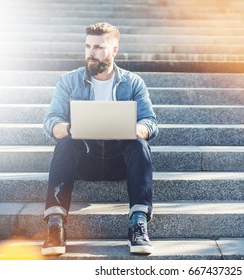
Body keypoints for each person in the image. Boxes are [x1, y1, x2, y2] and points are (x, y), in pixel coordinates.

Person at [41, 22, 158, 256]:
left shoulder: (133, 83)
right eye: (88, 46)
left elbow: (150, 122)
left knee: (139, 145)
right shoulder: (68, 81)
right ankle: (55, 225)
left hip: (119, 162)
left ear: (114, 50)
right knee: (66, 143)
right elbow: (51, 122)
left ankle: (138, 223)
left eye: (98, 47)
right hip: (85, 160)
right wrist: (72, 128)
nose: (91, 53)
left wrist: (135, 130)